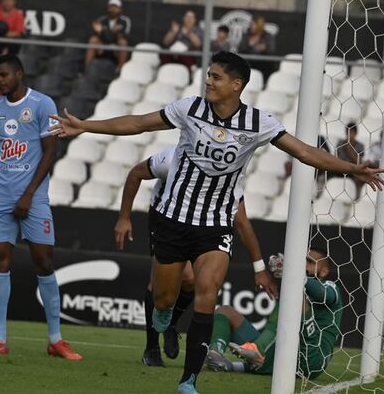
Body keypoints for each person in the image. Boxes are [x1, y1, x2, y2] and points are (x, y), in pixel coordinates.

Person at [49, 51, 384, 394]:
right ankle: (162, 318)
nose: (208, 81)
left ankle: (189, 380)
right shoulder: (189, 109)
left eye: (216, 77)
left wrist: (352, 168)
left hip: (215, 225)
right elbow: (137, 123)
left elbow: (303, 151)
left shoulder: (258, 122)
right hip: (172, 218)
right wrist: (85, 126)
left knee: (206, 293)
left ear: (236, 85)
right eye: (208, 75)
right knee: (163, 300)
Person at [114, 145, 278, 367]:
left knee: (191, 279)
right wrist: (124, 218)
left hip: (203, 222)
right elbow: (135, 174)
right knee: (161, 285)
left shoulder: (227, 176)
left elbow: (242, 223)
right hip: (165, 217)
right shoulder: (172, 159)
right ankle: (151, 348)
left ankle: (170, 323)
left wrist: (259, 268)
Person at [0, 54, 82, 361]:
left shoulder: (42, 104)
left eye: (3, 75)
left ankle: (56, 340)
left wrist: (29, 193)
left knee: (44, 261)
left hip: (34, 197)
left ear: (19, 73)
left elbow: (50, 152)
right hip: (0, 198)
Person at [205, 247, 342, 381]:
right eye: (303, 261)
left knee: (292, 294)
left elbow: (323, 294)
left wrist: (296, 275)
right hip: (284, 354)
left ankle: (258, 350)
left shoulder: (331, 287)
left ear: (323, 271)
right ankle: (216, 354)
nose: (304, 265)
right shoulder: (298, 284)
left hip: (312, 358)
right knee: (225, 312)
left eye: (310, 262)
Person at [85, 0, 131, 69]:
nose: (113, 9)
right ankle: (87, 69)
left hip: (117, 45)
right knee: (93, 40)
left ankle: (121, 71)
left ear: (120, 9)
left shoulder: (124, 21)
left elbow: (125, 36)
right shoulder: (102, 20)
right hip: (103, 43)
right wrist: (99, 32)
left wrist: (117, 33)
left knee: (123, 42)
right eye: (111, 7)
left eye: (115, 7)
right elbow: (97, 34)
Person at [237, 15, 275, 82]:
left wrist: (264, 49)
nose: (250, 26)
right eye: (250, 24)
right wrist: (249, 45)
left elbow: (271, 50)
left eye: (253, 24)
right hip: (248, 64)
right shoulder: (246, 35)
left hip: (263, 65)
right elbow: (240, 49)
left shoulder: (268, 36)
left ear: (259, 25)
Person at [335, 123, 365, 199]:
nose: (349, 135)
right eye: (347, 132)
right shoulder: (340, 143)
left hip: (353, 170)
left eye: (351, 133)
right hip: (340, 169)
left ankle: (355, 197)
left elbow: (358, 162)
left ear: (355, 133)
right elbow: (337, 159)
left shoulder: (360, 146)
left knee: (359, 177)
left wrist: (349, 150)